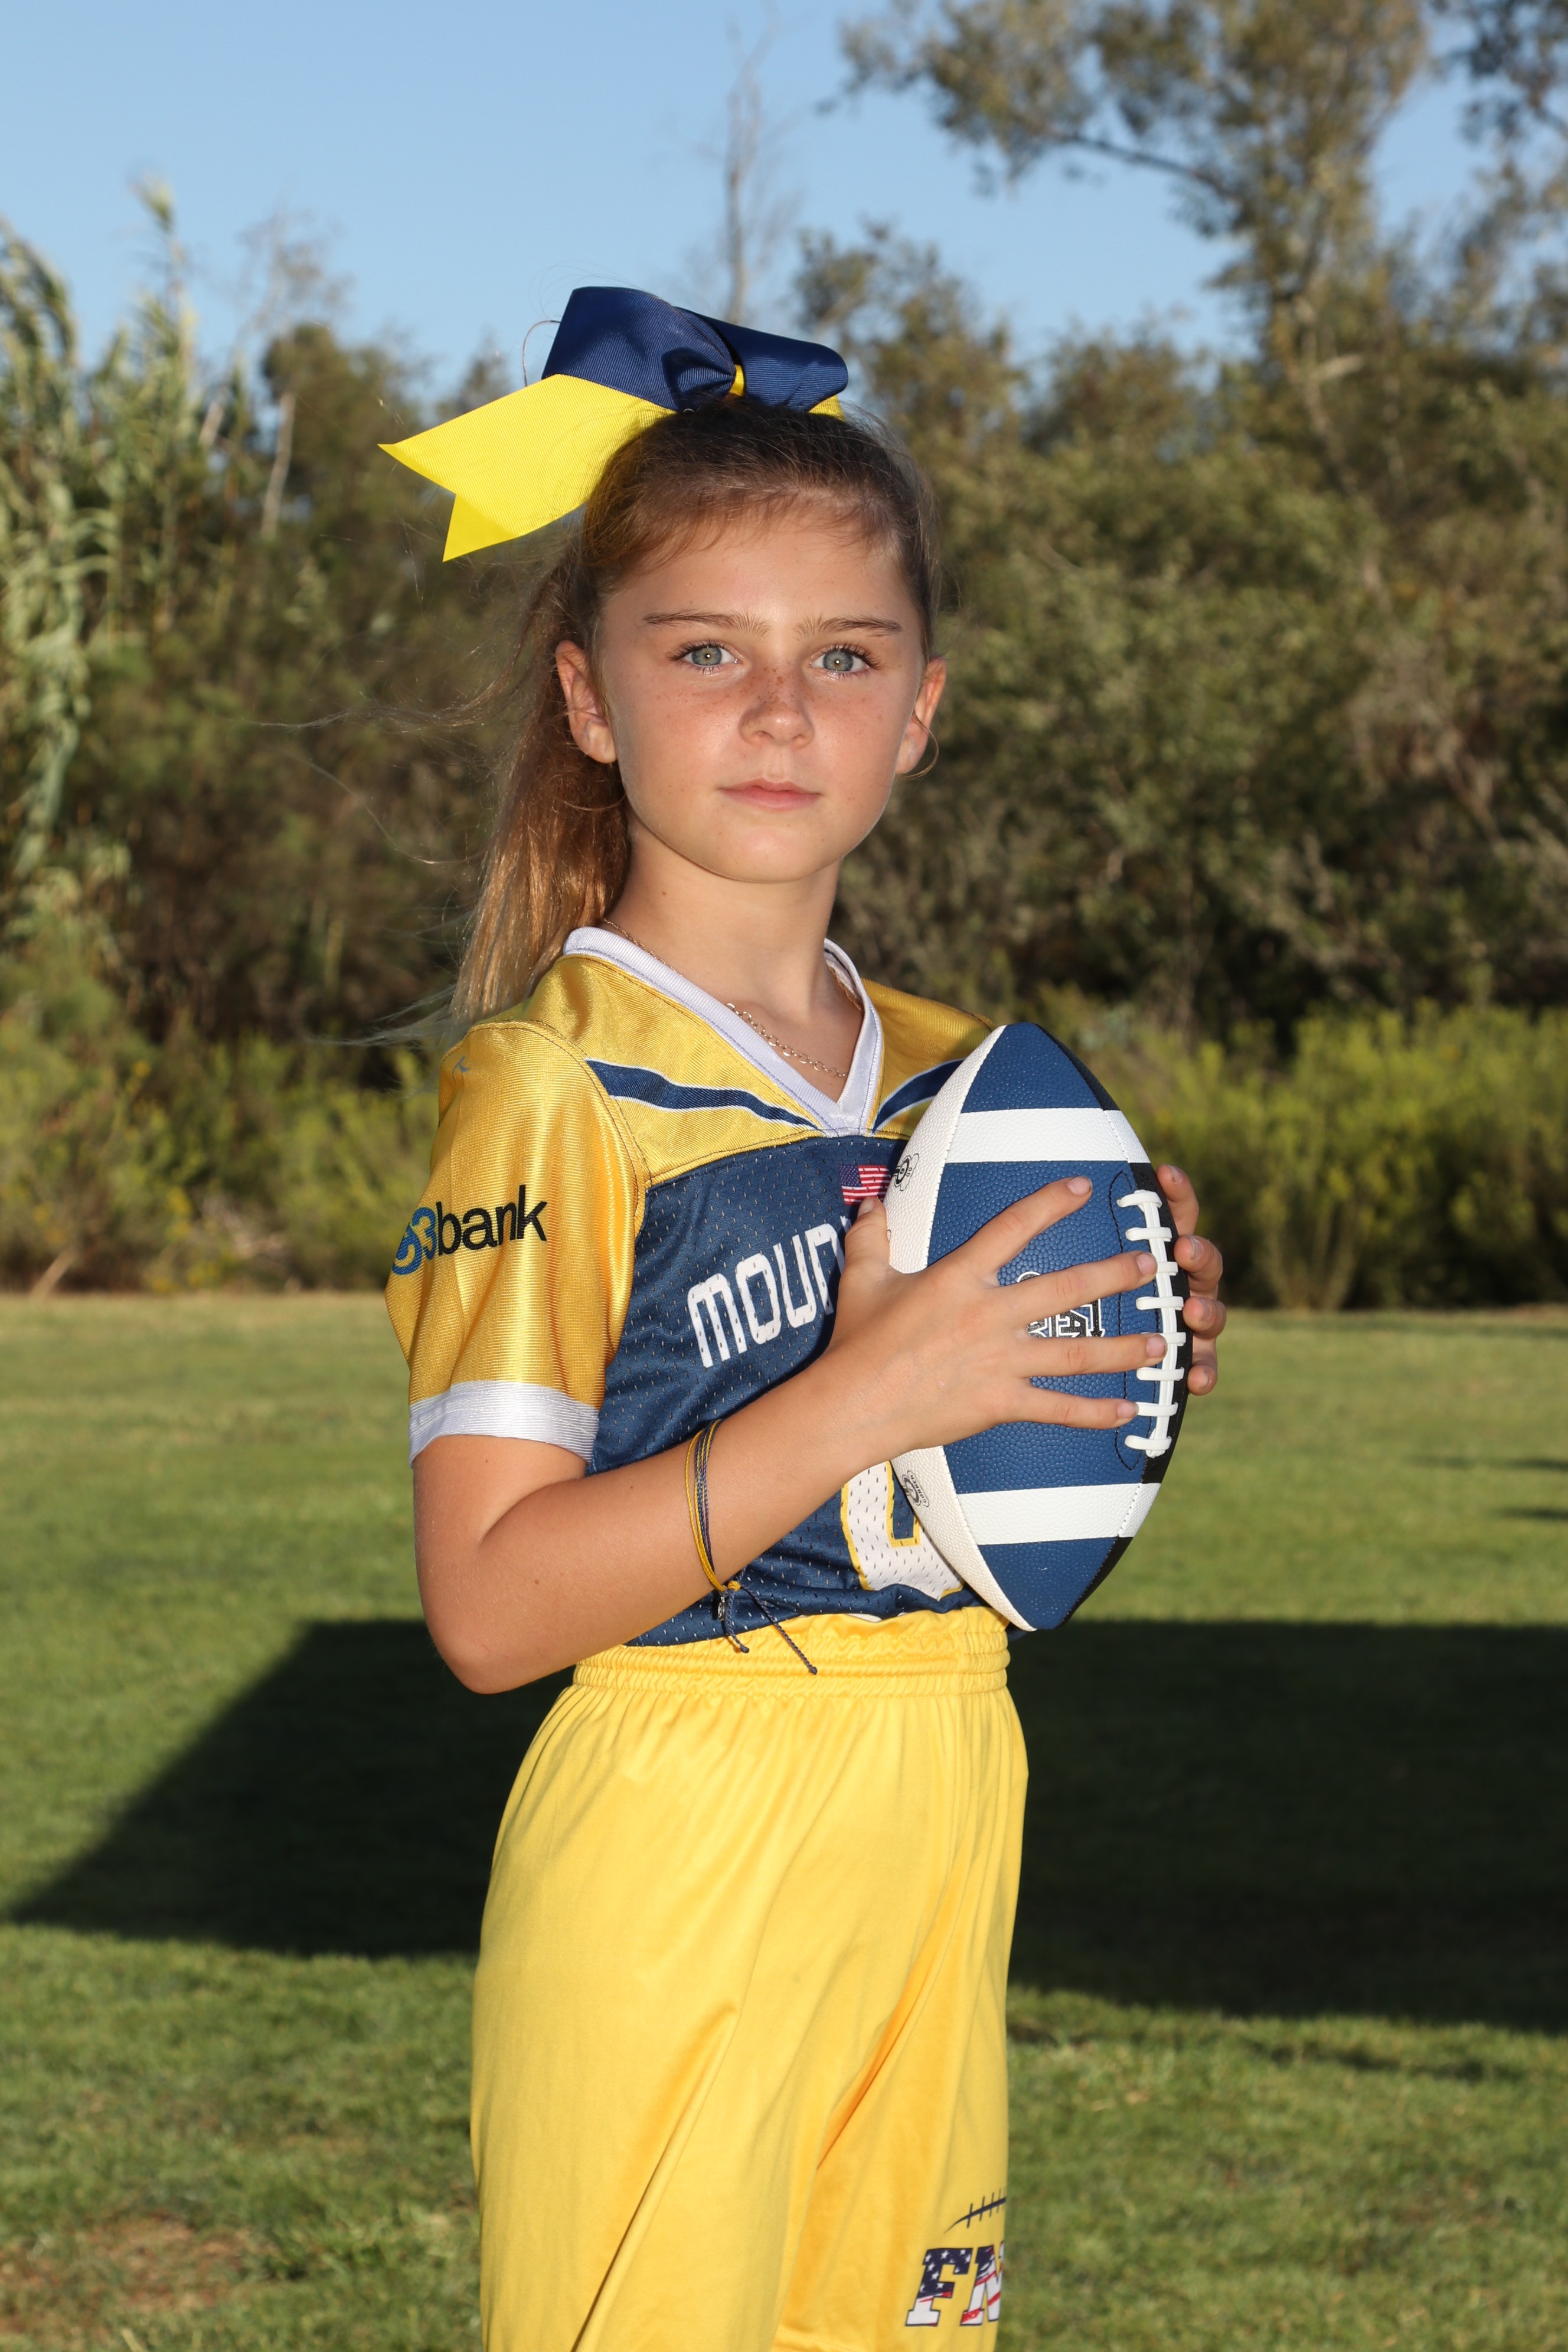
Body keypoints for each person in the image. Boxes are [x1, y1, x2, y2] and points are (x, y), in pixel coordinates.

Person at [384, 288, 1227, 2352]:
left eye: (841, 656)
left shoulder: (967, 1081)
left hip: (943, 1798)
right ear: (591, 698)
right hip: (680, 1833)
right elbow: (488, 1610)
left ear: (920, 709)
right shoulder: (554, 1085)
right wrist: (870, 1392)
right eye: (707, 653)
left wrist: (1123, 1336)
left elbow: (980, 1484)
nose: (780, 712)